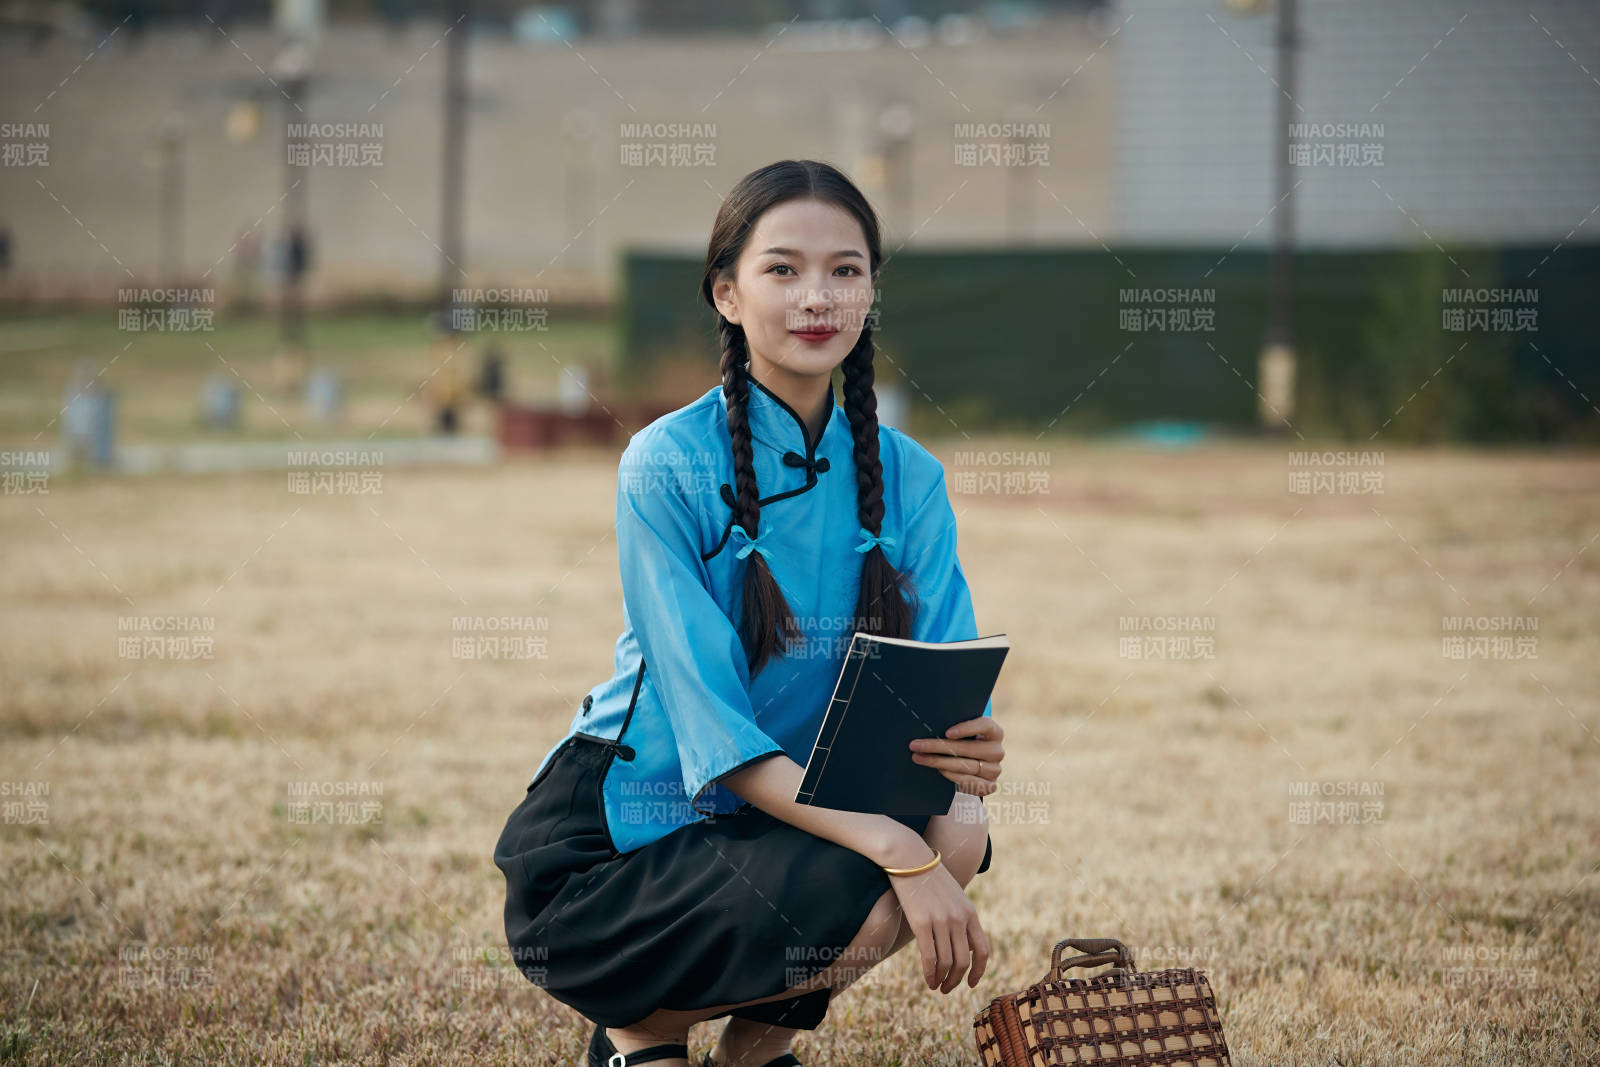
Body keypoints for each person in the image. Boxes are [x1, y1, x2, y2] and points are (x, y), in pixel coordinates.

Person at [493, 160, 1007, 1067]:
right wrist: (899, 844)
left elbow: (947, 690)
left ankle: (749, 1055)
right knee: (891, 855)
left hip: (783, 825)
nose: (818, 295)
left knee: (948, 841)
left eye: (846, 270)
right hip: (618, 843)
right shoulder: (666, 462)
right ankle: (639, 1028)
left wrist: (960, 802)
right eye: (783, 269)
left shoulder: (912, 477)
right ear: (727, 294)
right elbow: (713, 736)